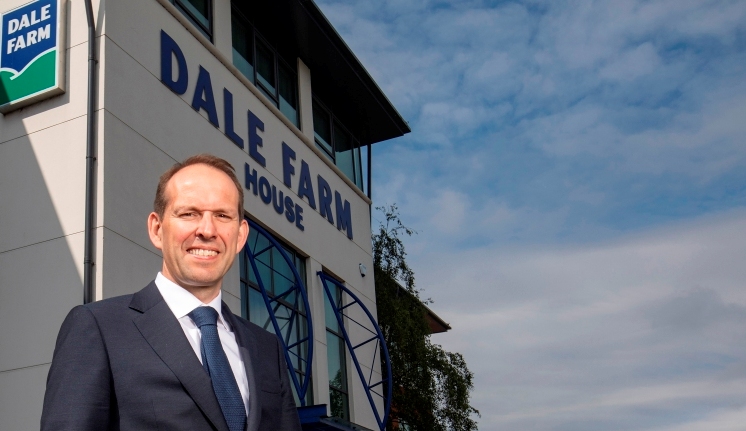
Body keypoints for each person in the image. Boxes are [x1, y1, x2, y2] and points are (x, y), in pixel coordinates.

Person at [41, 154, 302, 431]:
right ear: (157, 229)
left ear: (240, 236)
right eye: (189, 213)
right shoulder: (98, 328)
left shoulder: (267, 348)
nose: (207, 230)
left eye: (222, 215)